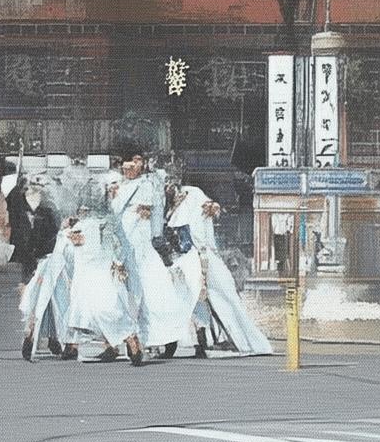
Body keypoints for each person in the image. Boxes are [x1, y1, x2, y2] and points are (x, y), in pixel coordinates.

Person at [163, 173, 272, 357]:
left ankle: (223, 339)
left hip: (200, 257)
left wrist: (203, 268)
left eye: (171, 184)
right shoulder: (167, 207)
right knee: (184, 299)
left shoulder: (192, 195)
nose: (169, 188)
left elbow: (205, 216)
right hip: (182, 260)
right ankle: (192, 340)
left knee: (220, 298)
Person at [109, 151, 191, 356]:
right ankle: (121, 342)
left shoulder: (148, 184)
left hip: (142, 246)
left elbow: (152, 217)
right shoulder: (117, 185)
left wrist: (156, 238)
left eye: (136, 161)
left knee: (154, 292)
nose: (131, 166)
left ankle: (166, 337)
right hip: (123, 245)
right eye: (128, 161)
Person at [61, 170, 144, 365]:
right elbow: (74, 248)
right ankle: (105, 344)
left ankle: (130, 337)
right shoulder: (82, 224)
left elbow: (120, 244)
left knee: (105, 307)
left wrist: (119, 262)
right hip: (86, 270)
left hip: (102, 268)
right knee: (85, 309)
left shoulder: (108, 221)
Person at [16, 175, 71, 361]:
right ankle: (33, 334)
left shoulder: (48, 209)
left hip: (46, 258)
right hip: (35, 258)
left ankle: (48, 336)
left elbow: (52, 235)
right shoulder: (24, 207)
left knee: (48, 297)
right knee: (38, 297)